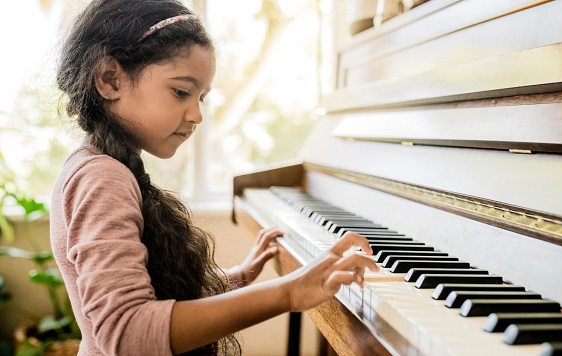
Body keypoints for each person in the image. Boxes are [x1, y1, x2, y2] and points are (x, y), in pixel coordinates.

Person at [50, 0, 379, 355]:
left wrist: (237, 276)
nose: (197, 114)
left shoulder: (102, 166)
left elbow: (156, 298)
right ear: (109, 79)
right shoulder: (102, 178)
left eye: (202, 97)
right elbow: (128, 333)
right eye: (181, 92)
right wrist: (290, 291)